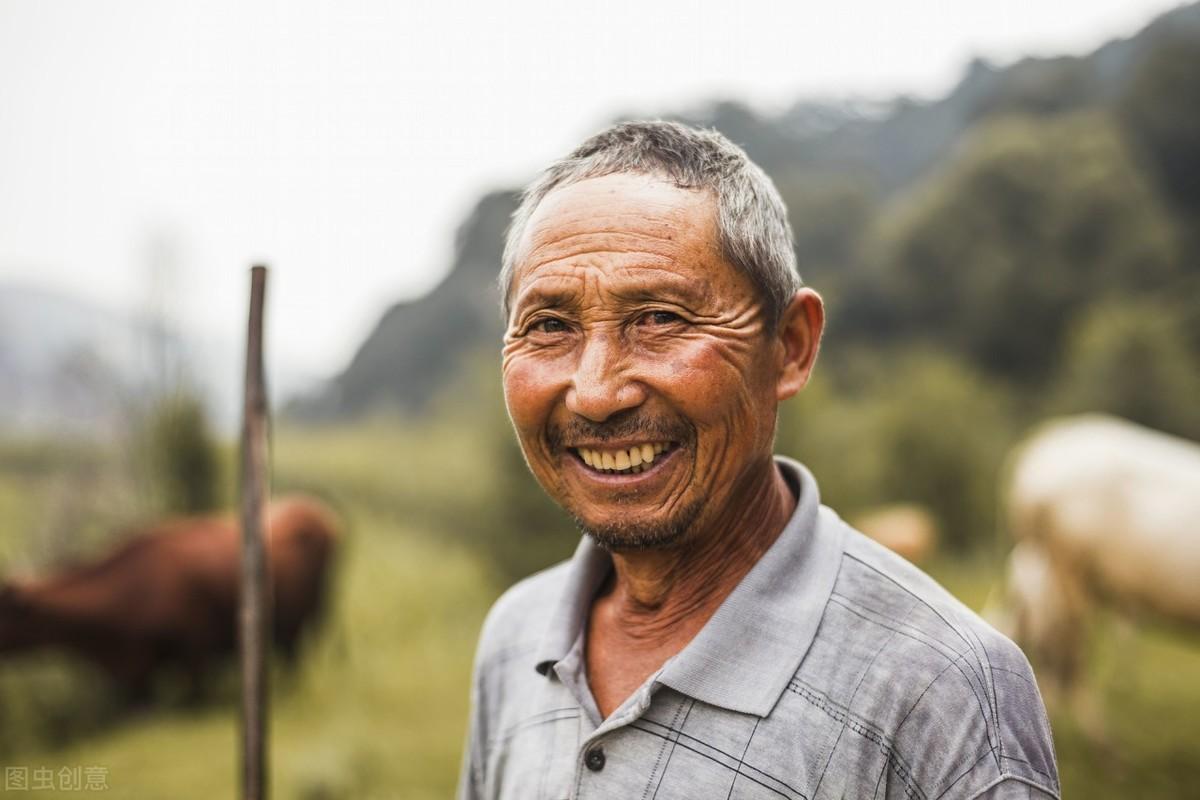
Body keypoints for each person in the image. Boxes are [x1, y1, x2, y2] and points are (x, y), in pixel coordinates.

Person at [458, 121, 1059, 800]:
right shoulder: (517, 637)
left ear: (791, 347)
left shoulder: (944, 689)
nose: (596, 394)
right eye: (549, 326)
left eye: (659, 318)